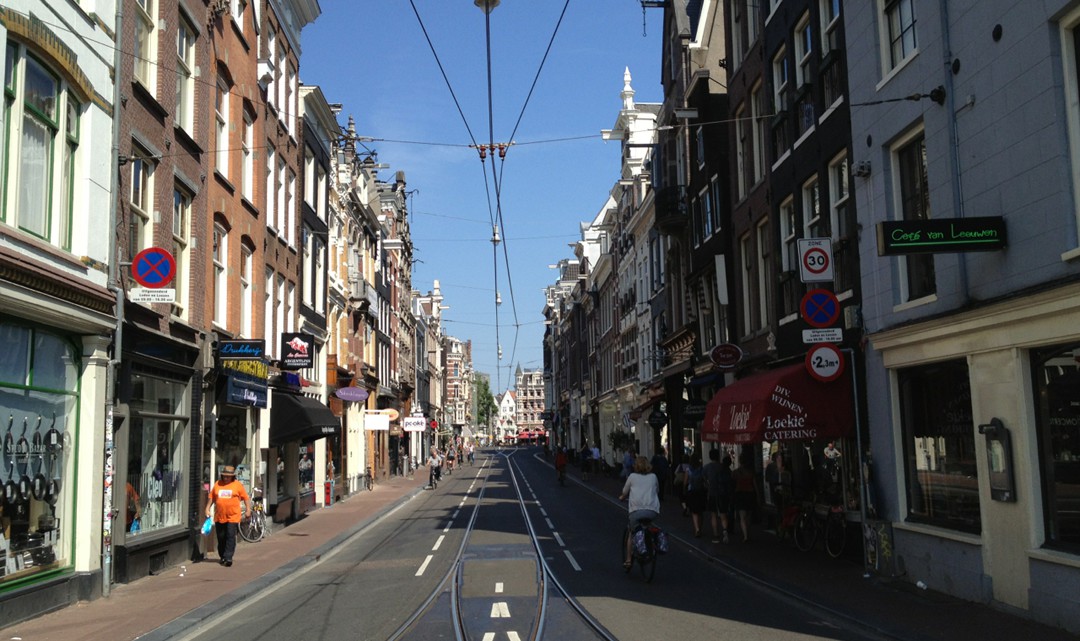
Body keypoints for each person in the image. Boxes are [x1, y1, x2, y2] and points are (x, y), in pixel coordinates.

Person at [619, 455, 660, 568]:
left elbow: (624, 491)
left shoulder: (632, 477)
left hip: (636, 512)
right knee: (647, 525)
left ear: (635, 466)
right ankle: (650, 542)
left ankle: (628, 560)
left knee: (632, 532)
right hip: (652, 511)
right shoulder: (653, 477)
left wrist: (622, 497)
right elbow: (657, 490)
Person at [205, 466, 250, 567]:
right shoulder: (217, 484)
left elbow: (246, 498)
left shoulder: (237, 485)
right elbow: (212, 497)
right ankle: (222, 556)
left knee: (230, 535)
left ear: (232, 477)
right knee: (221, 537)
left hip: (233, 516)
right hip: (219, 516)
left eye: (228, 477)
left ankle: (228, 557)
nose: (226, 478)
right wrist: (207, 508)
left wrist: (248, 510)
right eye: (224, 476)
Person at [703, 449, 733, 543]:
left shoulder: (707, 467)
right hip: (723, 493)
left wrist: (708, 486)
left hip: (712, 493)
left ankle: (716, 534)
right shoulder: (723, 467)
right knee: (723, 514)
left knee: (713, 515)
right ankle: (725, 531)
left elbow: (704, 480)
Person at [732, 452, 758, 543]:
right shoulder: (751, 472)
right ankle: (748, 533)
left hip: (740, 494)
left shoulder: (735, 472)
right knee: (748, 516)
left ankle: (745, 535)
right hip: (750, 494)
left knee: (742, 517)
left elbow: (732, 485)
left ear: (739, 461)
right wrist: (758, 496)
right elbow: (755, 486)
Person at [685, 455, 707, 537]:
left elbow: (685, 481)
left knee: (694, 512)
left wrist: (685, 489)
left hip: (692, 491)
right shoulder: (701, 469)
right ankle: (700, 528)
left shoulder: (688, 469)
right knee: (700, 511)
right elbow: (705, 480)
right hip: (700, 491)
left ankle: (696, 528)